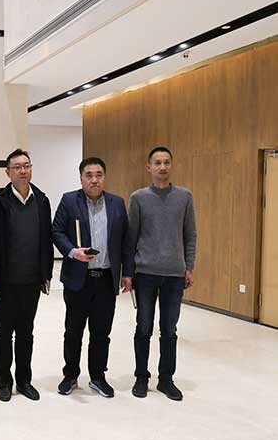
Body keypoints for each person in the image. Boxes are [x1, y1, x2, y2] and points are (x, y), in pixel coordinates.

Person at [52, 157, 133, 398]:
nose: (94, 179)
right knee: (73, 331)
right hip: (78, 279)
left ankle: (98, 376)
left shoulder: (117, 203)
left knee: (101, 332)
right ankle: (70, 375)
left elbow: (126, 241)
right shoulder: (69, 200)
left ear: (104, 177)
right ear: (81, 178)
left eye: (99, 174)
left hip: (106, 279)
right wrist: (72, 251)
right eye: (89, 175)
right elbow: (56, 231)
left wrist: (128, 273)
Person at [129, 146, 196, 401]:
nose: (163, 167)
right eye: (157, 162)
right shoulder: (138, 198)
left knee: (169, 329)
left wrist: (189, 266)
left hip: (175, 275)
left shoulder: (185, 197)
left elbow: (190, 234)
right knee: (143, 327)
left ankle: (166, 379)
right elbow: (131, 236)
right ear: (149, 167)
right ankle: (141, 377)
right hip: (145, 273)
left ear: (172, 165)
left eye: (167, 162)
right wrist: (129, 271)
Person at [0, 148, 53, 402]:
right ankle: (4, 382)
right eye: (17, 167)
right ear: (8, 172)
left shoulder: (42, 200)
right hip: (6, 282)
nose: (22, 170)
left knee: (26, 333)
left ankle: (24, 380)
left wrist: (46, 273)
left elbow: (47, 239)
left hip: (31, 280)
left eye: (26, 166)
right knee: (4, 333)